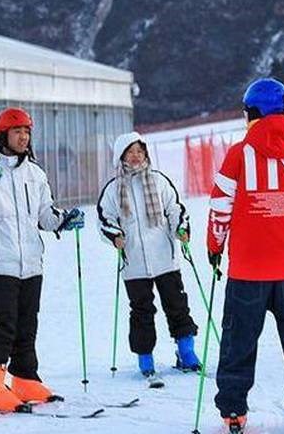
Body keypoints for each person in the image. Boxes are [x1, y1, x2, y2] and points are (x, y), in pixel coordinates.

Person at [207, 77, 284, 433]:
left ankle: (233, 411)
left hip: (247, 274)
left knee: (238, 343)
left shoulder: (238, 153)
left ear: (253, 113)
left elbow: (220, 209)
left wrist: (215, 247)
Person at [0, 107, 84, 412]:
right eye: (17, 131)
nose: (23, 137)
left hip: (32, 263)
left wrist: (64, 219)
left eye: (26, 132)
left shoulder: (35, 173)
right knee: (3, 325)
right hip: (0, 263)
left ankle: (24, 378)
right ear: (3, 135)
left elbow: (45, 215)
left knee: (27, 325)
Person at [96, 131, 200, 382]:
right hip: (134, 263)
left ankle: (186, 351)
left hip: (165, 257)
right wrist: (115, 235)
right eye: (130, 152)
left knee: (177, 305)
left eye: (140, 151)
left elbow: (175, 209)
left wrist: (181, 228)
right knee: (141, 311)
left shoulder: (159, 180)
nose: (136, 156)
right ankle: (145, 358)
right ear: (121, 156)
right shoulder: (113, 190)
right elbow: (104, 219)